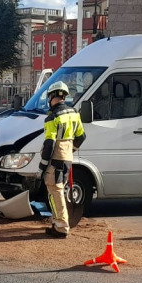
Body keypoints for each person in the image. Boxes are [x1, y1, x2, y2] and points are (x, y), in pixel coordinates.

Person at [39, 81, 86, 238]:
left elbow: (49, 144)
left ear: (52, 96)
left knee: (54, 190)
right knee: (59, 189)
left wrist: (42, 166)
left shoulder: (52, 118)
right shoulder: (74, 113)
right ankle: (58, 222)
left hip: (56, 157)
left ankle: (61, 226)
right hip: (67, 157)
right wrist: (70, 149)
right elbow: (81, 136)